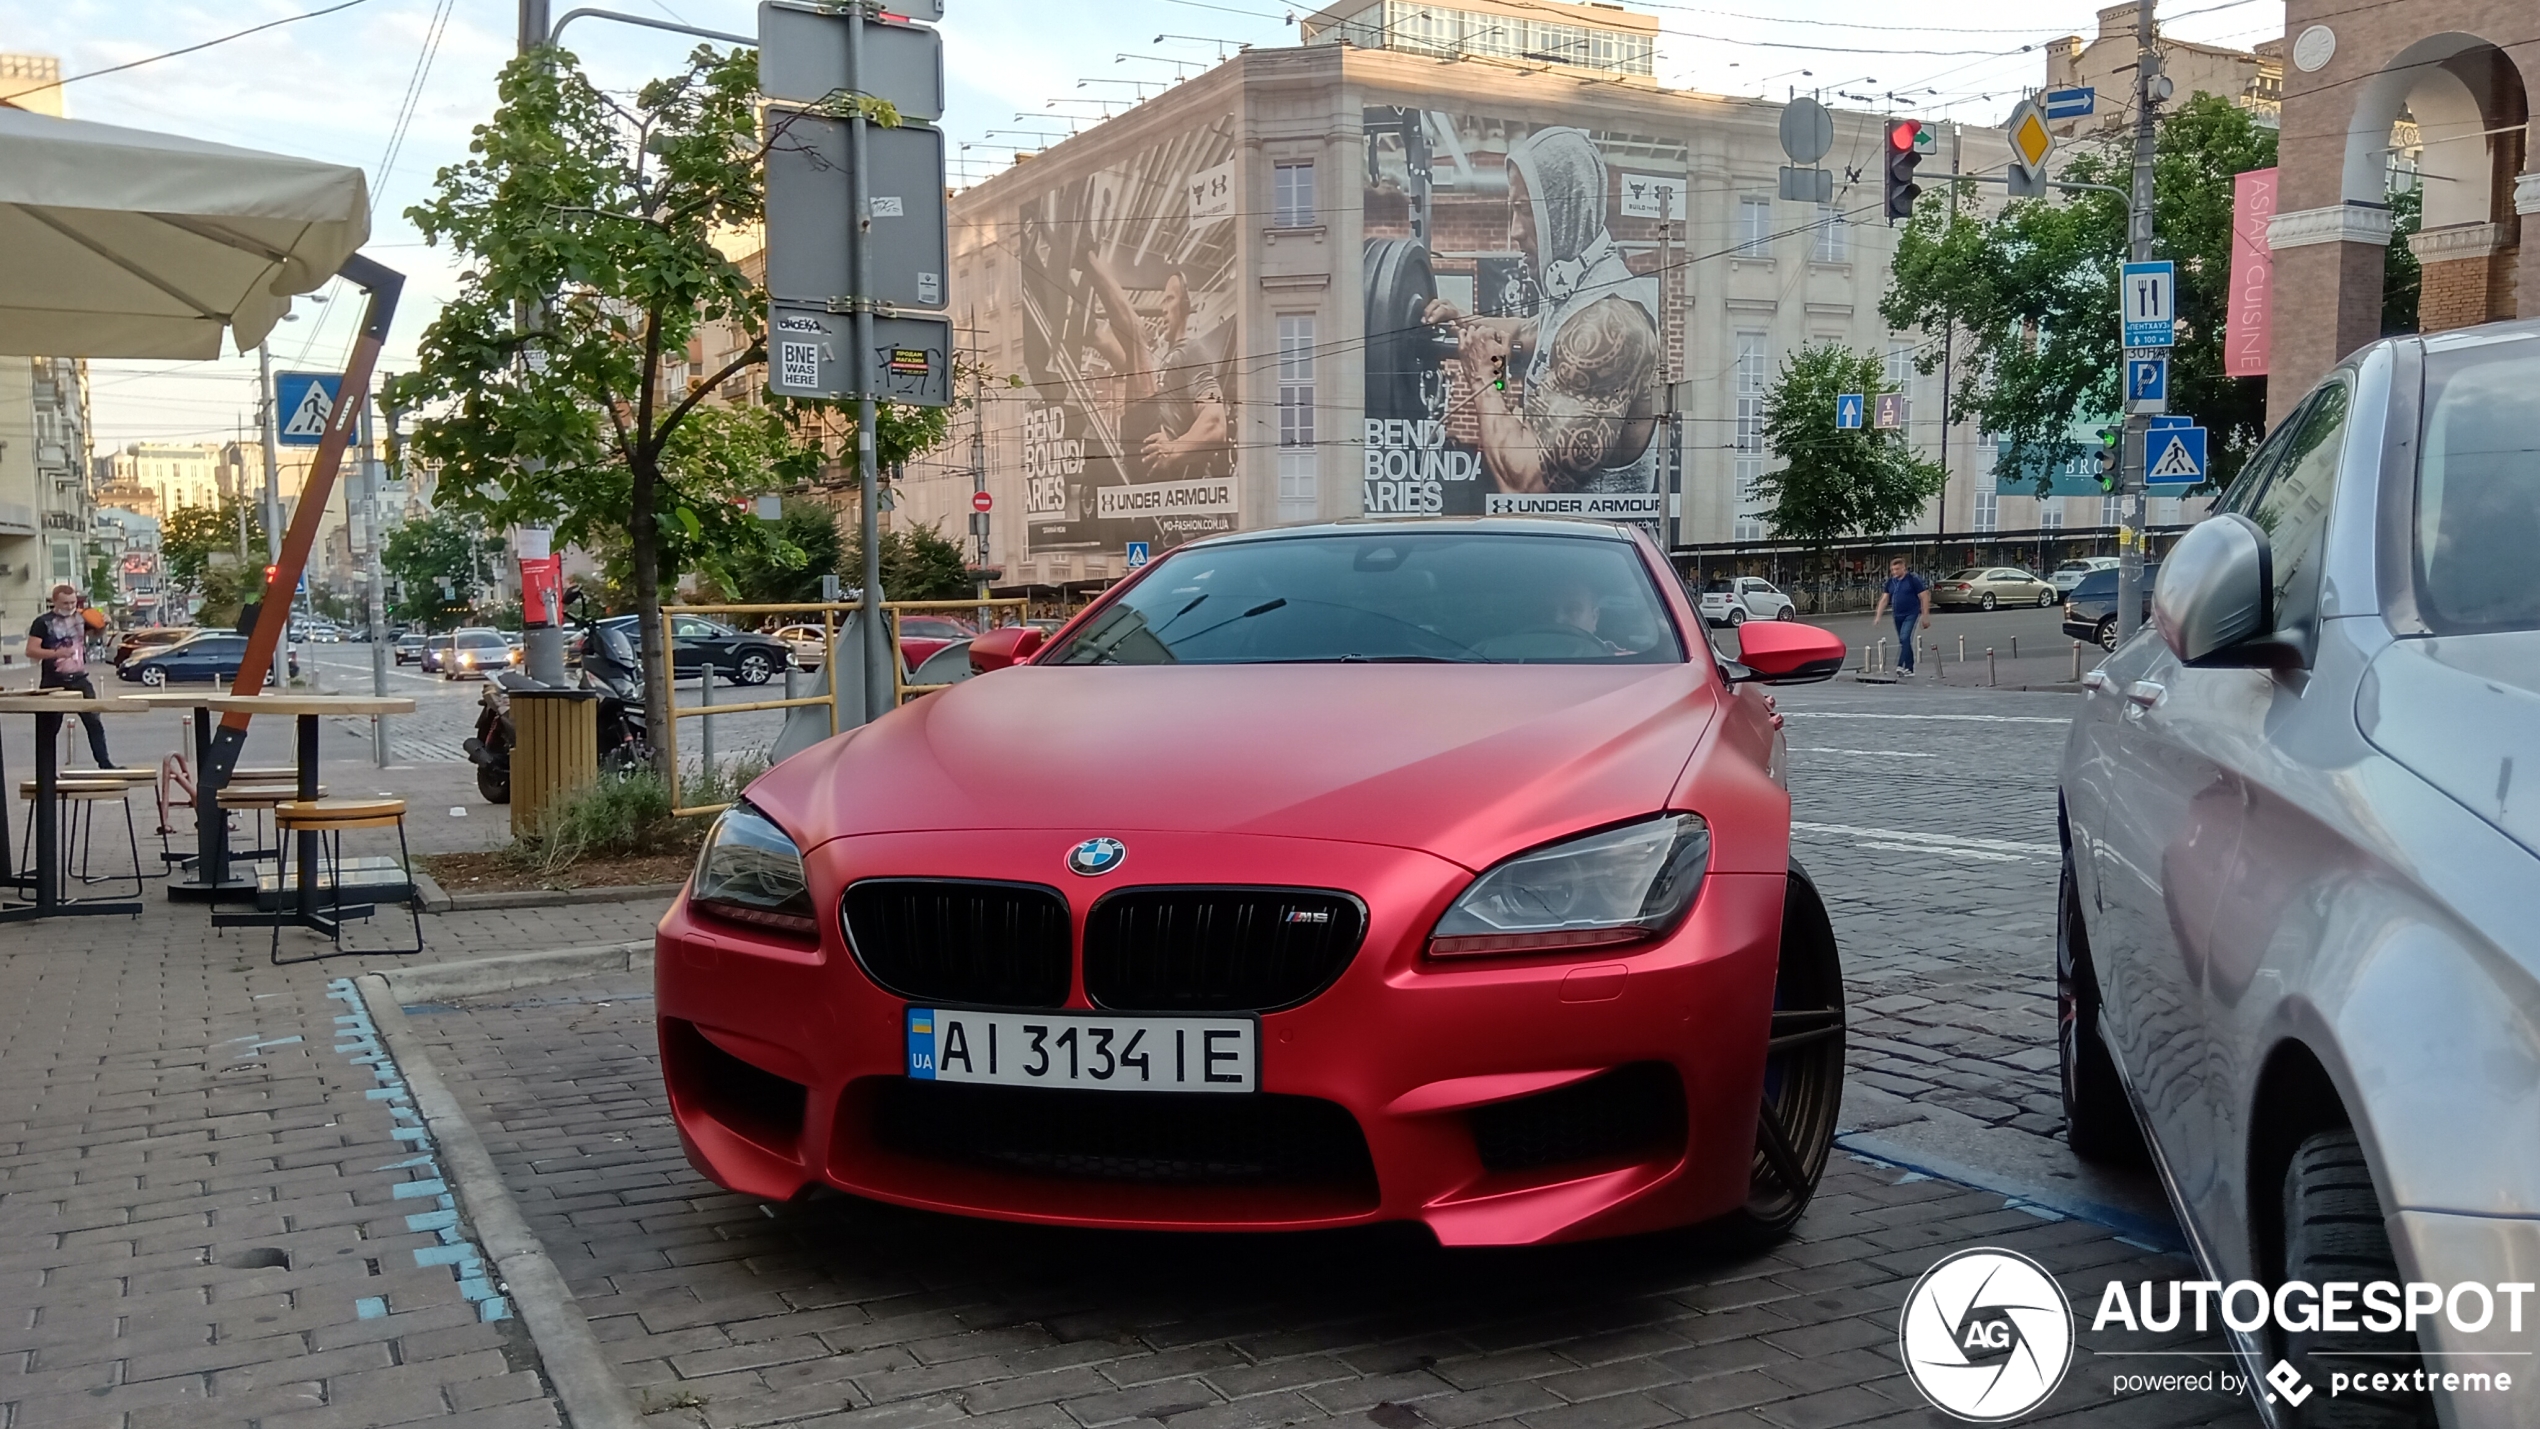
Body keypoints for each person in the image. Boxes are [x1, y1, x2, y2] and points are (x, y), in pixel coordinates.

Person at [1421, 126, 1662, 498]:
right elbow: (1528, 332)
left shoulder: (1607, 325)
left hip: (1590, 554)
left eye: (1525, 212)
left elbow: (1526, 485)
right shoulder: (1577, 292)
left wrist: (1484, 377)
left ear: (1562, 212)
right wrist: (1465, 322)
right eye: (1511, 210)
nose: (1515, 232)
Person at [23, 584, 117, 766]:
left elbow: (96, 634)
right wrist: (55, 654)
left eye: (73, 602)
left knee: (94, 722)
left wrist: (104, 624)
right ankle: (47, 771)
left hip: (79, 677)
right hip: (53, 680)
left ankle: (105, 763)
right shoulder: (43, 622)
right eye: (65, 603)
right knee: (49, 728)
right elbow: (31, 651)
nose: (69, 606)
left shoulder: (81, 617)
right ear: (54, 602)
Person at [1870, 556, 1933, 678]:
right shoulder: (1891, 582)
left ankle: (1900, 665)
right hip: (1897, 614)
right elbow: (1884, 599)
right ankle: (1909, 668)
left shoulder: (1913, 580)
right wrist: (1878, 616)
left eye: (1897, 569)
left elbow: (1924, 596)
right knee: (1904, 641)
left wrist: (1925, 616)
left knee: (1904, 638)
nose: (1894, 572)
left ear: (1904, 568)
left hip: (1911, 613)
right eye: (1892, 570)